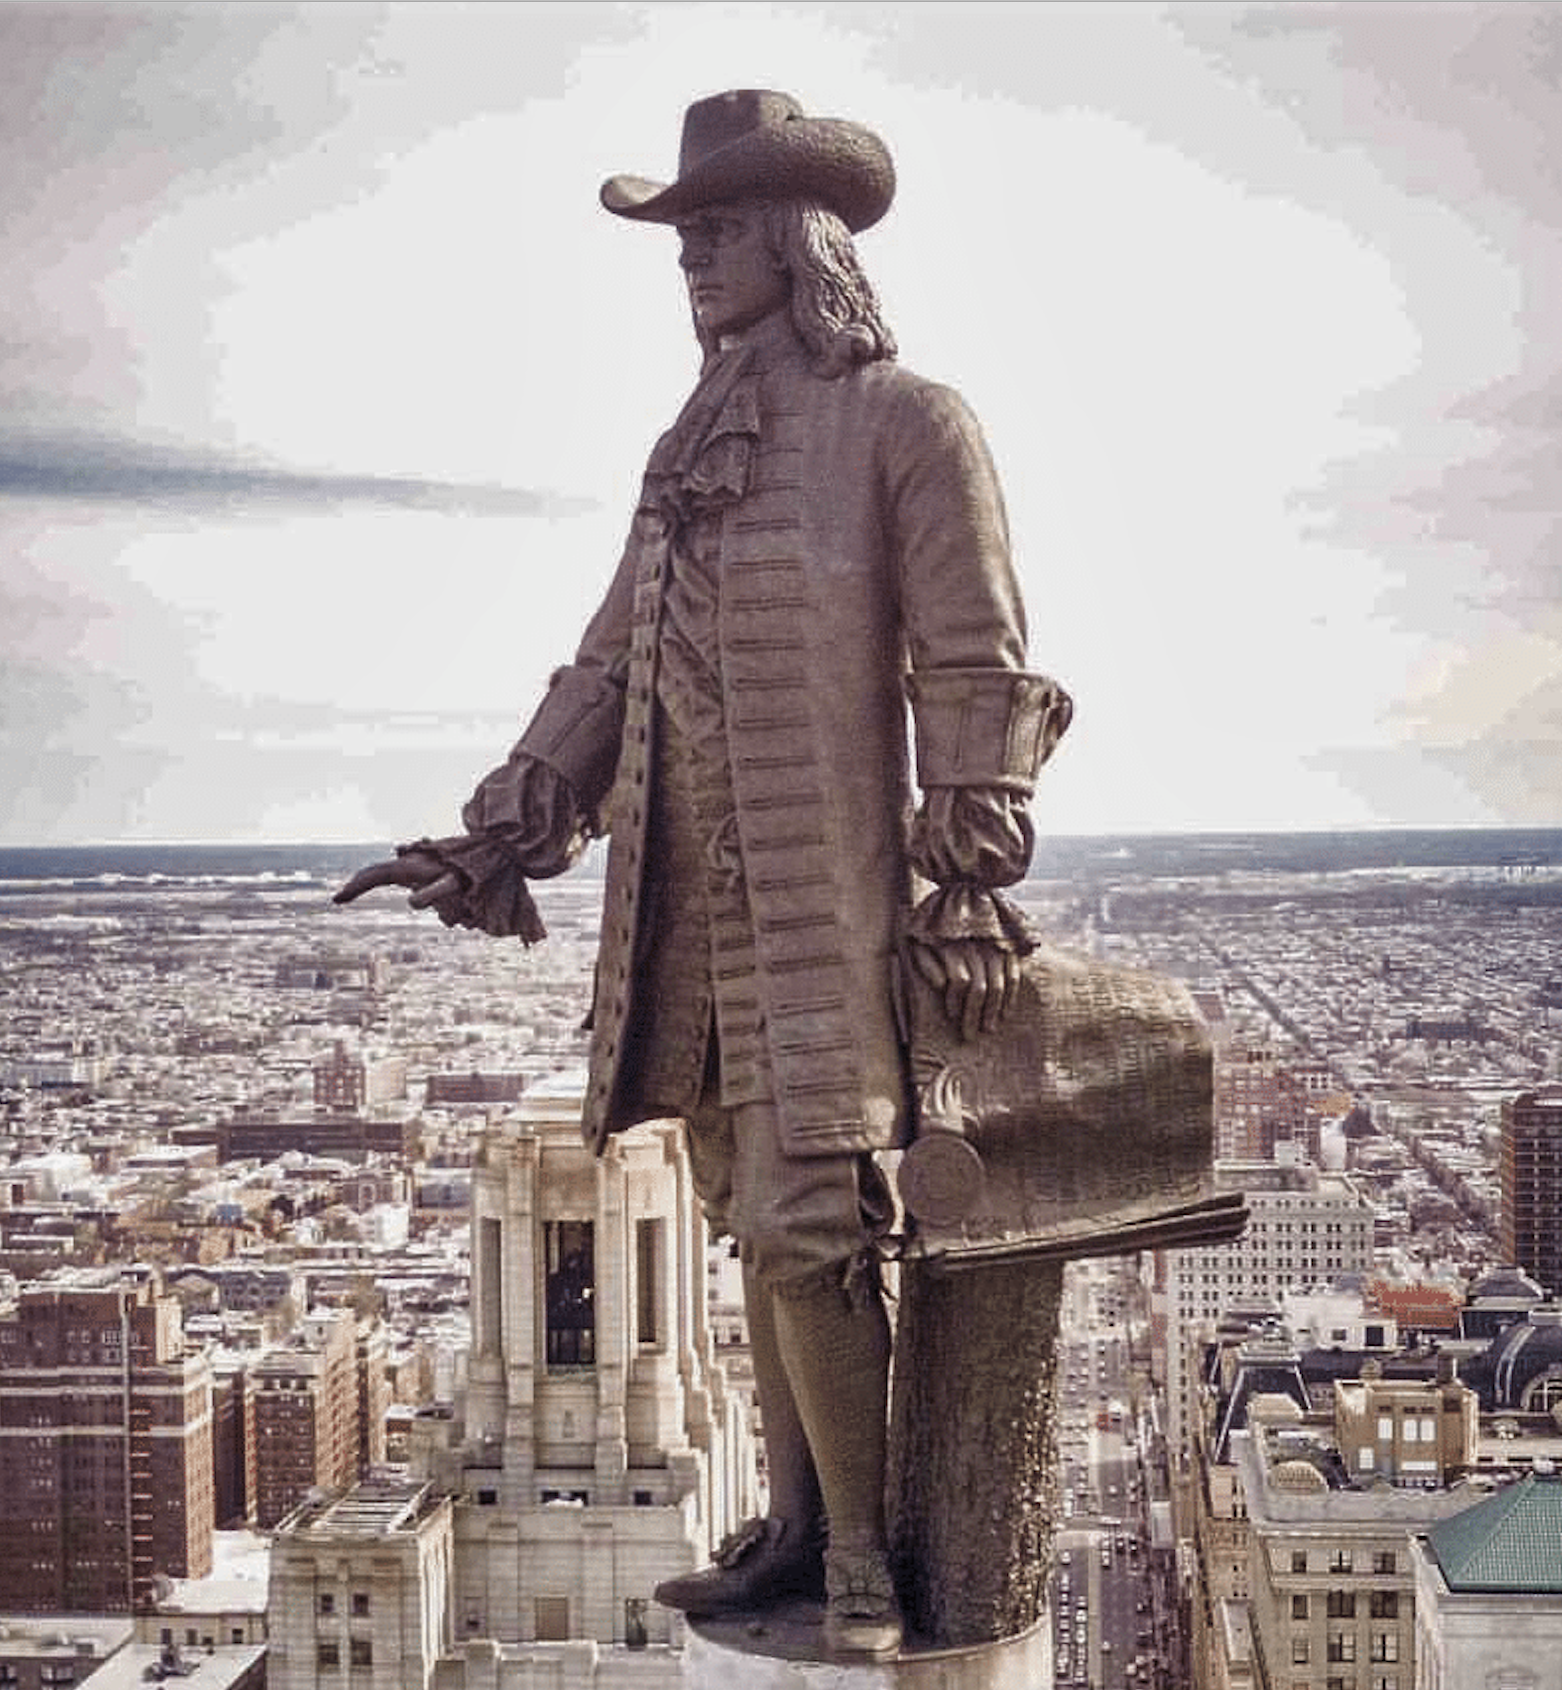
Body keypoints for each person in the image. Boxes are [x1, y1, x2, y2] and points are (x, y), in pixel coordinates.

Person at [336, 88, 1068, 1660]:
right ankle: (797, 1528)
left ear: (802, 241)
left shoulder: (909, 422)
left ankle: (862, 1555)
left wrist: (964, 873)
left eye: (717, 229)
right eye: (681, 236)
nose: (691, 259)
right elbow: (608, 664)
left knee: (814, 1226)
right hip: (692, 913)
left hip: (835, 912)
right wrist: (507, 823)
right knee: (754, 1219)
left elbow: (975, 660)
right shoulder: (684, 455)